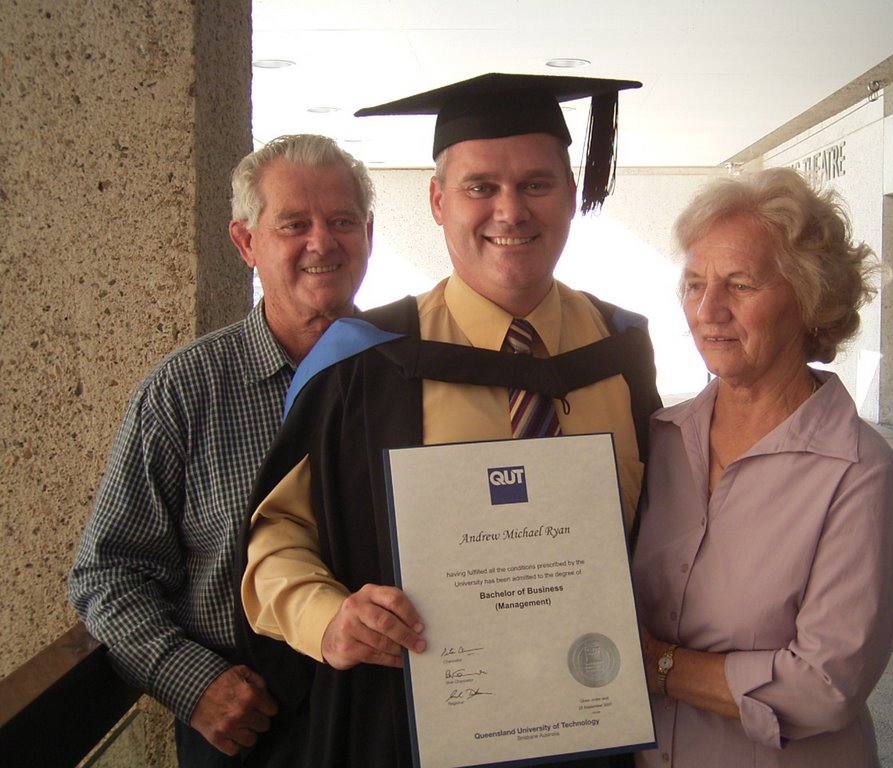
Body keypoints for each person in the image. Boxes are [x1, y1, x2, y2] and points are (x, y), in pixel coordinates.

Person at [235, 73, 662, 767]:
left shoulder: (621, 352)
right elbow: (278, 536)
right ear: (437, 201)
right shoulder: (365, 364)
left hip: (601, 727)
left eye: (536, 184)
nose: (510, 210)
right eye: (479, 187)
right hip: (418, 734)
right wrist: (329, 618)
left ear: (573, 194)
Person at [68, 134, 375, 766]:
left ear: (367, 232)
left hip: (389, 711)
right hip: (249, 721)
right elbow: (107, 572)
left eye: (342, 221)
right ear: (245, 242)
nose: (323, 242)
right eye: (294, 224)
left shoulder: (410, 372)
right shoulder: (184, 390)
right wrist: (191, 682)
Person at [632, 167, 893, 767]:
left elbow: (822, 687)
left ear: (810, 301)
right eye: (695, 283)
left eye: (741, 284)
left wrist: (658, 664)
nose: (709, 310)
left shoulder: (860, 473)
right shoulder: (660, 439)